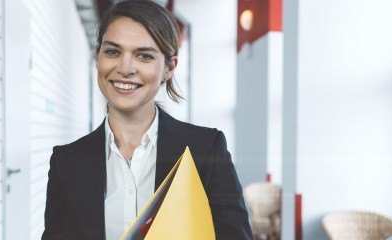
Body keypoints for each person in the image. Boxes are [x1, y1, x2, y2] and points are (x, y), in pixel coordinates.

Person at [42, 0, 252, 239]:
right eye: (113, 51)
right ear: (97, 56)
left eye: (144, 56)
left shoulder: (207, 149)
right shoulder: (66, 161)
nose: (125, 68)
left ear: (169, 67)